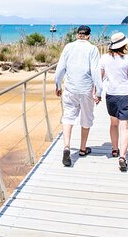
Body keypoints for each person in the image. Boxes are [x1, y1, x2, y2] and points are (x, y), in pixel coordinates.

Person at [54, 25, 102, 167]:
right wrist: (99, 92)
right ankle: (82, 149)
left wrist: (57, 85)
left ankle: (67, 147)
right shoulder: (92, 49)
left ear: (77, 35)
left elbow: (60, 68)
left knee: (68, 117)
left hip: (70, 88)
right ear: (88, 36)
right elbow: (95, 71)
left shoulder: (69, 47)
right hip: (86, 88)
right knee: (86, 117)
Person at [100, 32, 128, 172]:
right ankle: (122, 157)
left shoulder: (104, 58)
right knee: (125, 127)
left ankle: (114, 149)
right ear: (123, 45)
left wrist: (97, 93)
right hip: (126, 95)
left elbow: (100, 77)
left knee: (113, 123)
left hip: (111, 94)